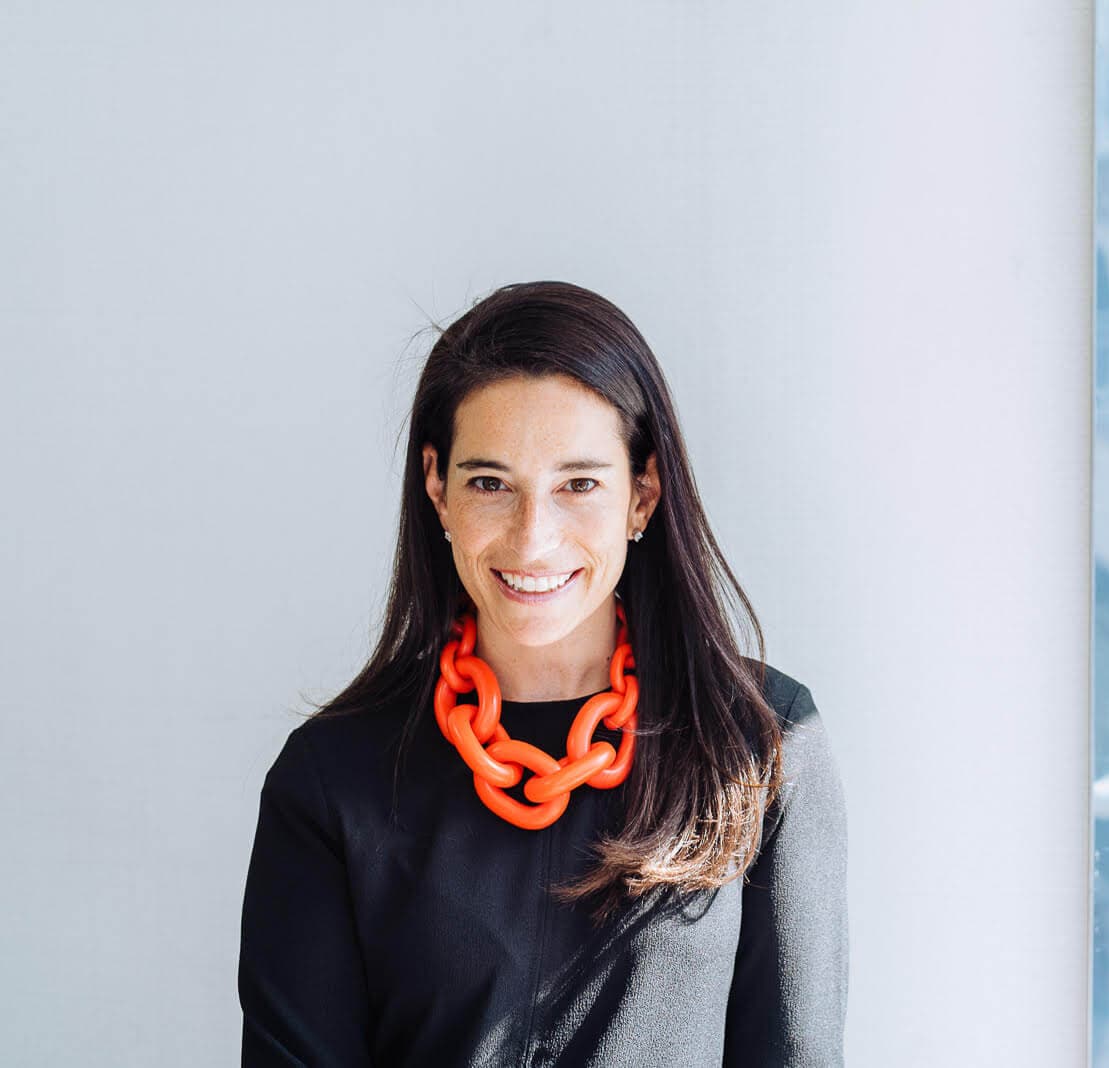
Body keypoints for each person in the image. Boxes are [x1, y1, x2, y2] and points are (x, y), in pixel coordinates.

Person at [238, 281, 848, 1066]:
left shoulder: (764, 744)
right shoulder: (331, 781)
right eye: (490, 483)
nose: (533, 540)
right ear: (437, 487)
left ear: (643, 494)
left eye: (579, 484)